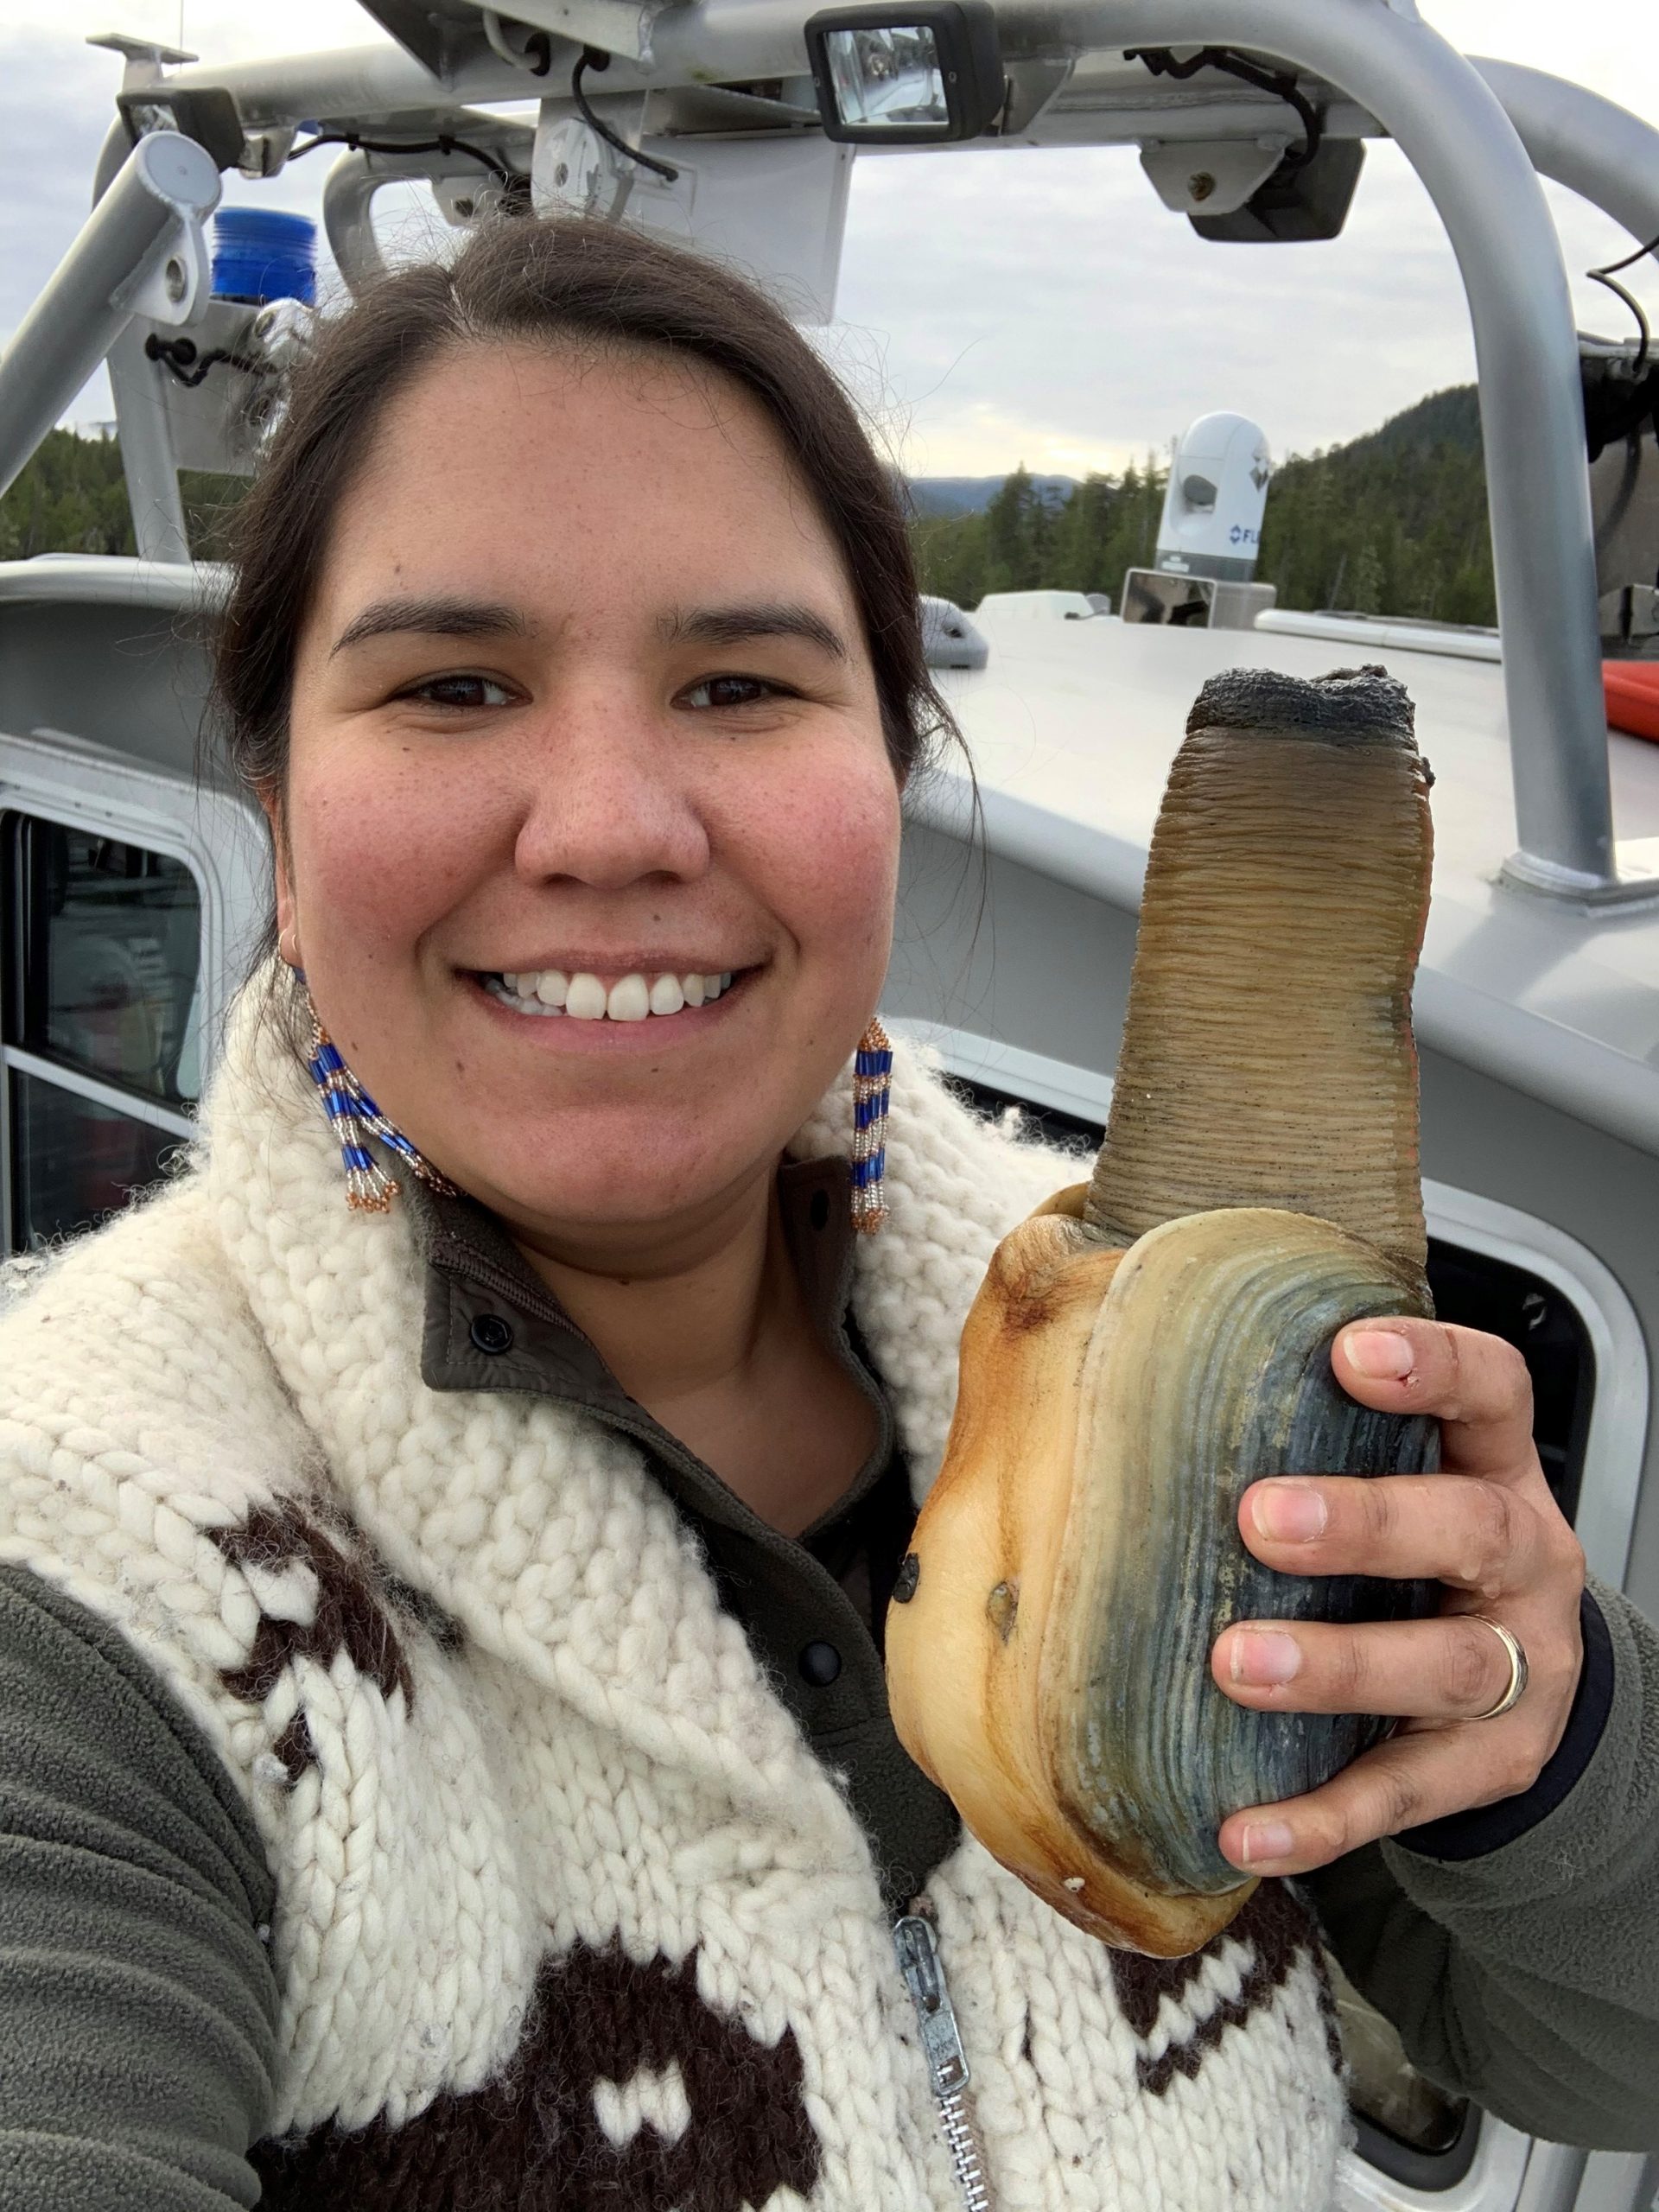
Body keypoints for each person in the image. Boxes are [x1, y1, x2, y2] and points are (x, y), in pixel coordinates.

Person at [0, 214, 1654, 2212]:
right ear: (276, 786)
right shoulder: (76, 1573)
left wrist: (1551, 1752)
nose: (608, 824)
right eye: (452, 683)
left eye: (737, 683)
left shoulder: (1194, 1386)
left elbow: (1599, 2043)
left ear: (891, 756)